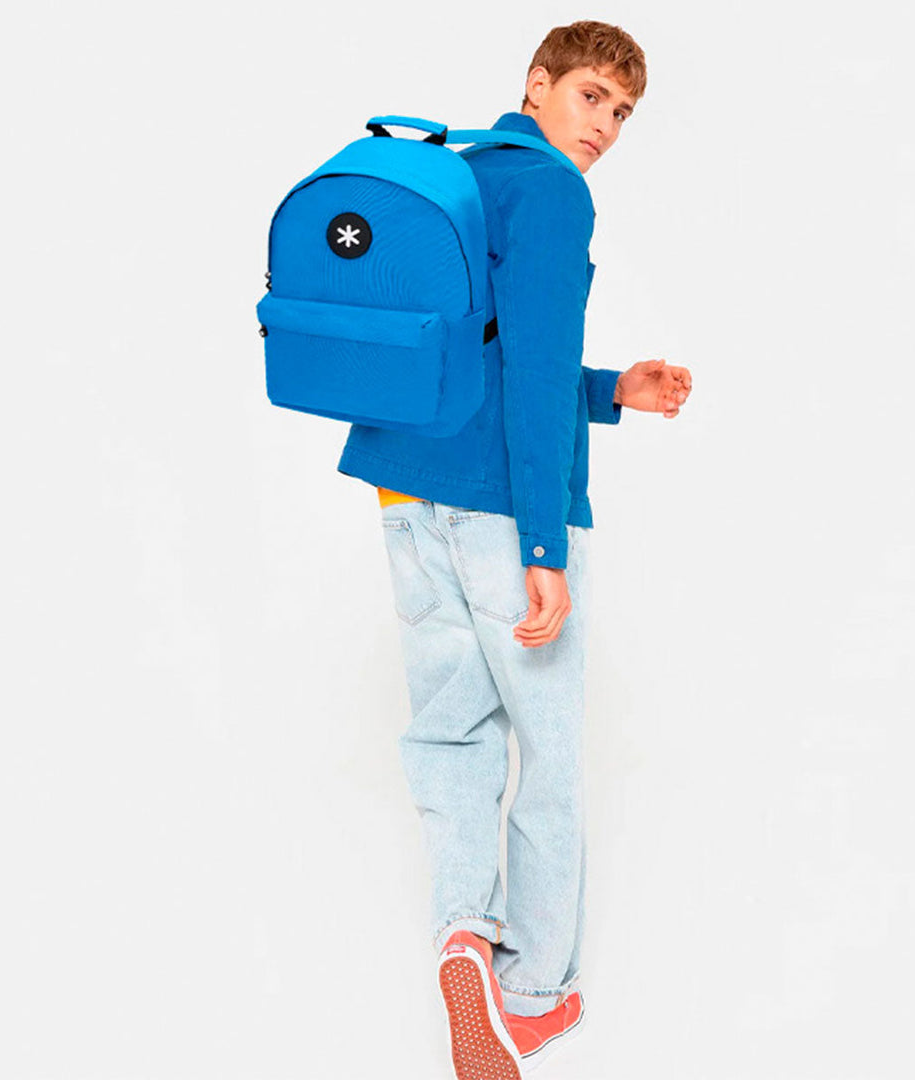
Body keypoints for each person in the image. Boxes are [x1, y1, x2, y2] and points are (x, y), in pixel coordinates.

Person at [336, 20, 692, 1078]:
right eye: (591, 97)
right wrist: (544, 545)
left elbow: (484, 354)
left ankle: (462, 934)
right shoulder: (551, 190)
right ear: (537, 85)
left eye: (623, 113)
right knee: (549, 751)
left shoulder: (456, 175)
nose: (606, 127)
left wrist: (611, 391)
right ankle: (533, 992)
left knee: (451, 735)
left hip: (406, 496)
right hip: (502, 511)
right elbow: (530, 374)